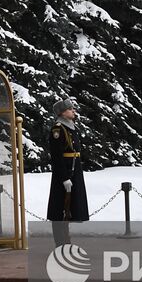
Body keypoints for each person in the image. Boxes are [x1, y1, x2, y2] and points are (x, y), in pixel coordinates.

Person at [46, 97, 88, 247]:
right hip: (64, 173)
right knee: (60, 209)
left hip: (74, 170)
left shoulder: (71, 127)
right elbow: (57, 157)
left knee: (69, 209)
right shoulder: (58, 129)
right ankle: (61, 243)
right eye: (70, 109)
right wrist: (64, 178)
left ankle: (66, 241)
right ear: (62, 113)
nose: (73, 111)